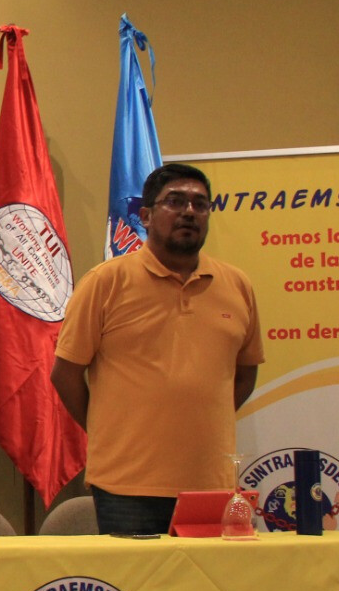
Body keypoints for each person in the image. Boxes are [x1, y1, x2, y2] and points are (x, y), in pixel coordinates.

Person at [52, 163, 264, 535]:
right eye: (175, 201)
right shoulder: (106, 282)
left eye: (200, 204)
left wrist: (198, 417)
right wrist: (106, 430)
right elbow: (65, 373)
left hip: (209, 483)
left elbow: (246, 372)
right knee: (135, 576)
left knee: (207, 576)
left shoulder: (237, 285)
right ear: (146, 216)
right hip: (127, 486)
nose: (189, 212)